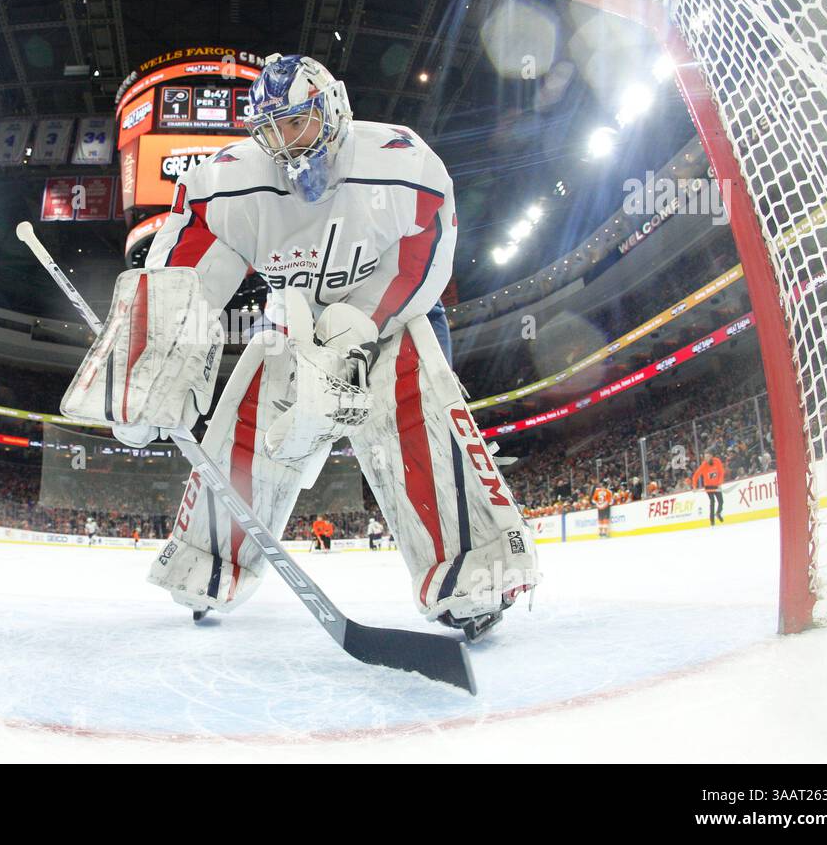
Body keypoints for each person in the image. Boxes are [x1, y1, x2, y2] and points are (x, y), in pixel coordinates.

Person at [61, 53, 539, 639]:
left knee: (417, 416)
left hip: (389, 312)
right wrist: (148, 369)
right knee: (247, 426)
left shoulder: (398, 162)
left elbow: (425, 254)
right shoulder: (229, 183)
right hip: (292, 316)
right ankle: (210, 563)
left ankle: (474, 573)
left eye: (297, 122)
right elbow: (186, 277)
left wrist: (364, 325)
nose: (286, 144)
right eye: (271, 130)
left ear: (330, 108)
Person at [692, 451, 726, 526]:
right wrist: (694, 486)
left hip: (716, 485)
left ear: (711, 456)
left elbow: (721, 472)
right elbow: (695, 476)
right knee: (712, 501)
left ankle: (718, 513)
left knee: (721, 501)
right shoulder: (704, 465)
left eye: (707, 457)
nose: (706, 459)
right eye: (705, 457)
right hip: (708, 486)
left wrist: (720, 484)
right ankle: (712, 521)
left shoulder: (717, 461)